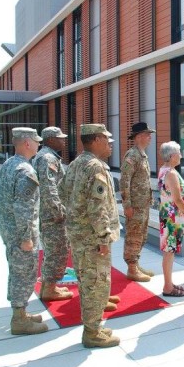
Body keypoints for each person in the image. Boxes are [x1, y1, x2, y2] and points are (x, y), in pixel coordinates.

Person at [59, 123, 120, 348]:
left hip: (80, 235)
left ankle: (94, 326)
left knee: (87, 282)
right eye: (106, 139)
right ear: (95, 140)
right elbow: (98, 207)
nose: (109, 144)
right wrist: (103, 237)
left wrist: (76, 218)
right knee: (95, 283)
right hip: (93, 239)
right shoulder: (95, 167)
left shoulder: (76, 163)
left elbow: (62, 191)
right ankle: (92, 333)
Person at [0, 127, 48, 335]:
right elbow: (23, 207)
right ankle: (19, 319)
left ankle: (21, 313)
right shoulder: (25, 170)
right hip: (20, 233)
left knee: (17, 271)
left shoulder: (10, 164)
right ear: (27, 143)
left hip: (10, 231)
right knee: (24, 273)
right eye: (36, 141)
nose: (38, 144)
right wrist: (26, 237)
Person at [32, 126, 73, 302]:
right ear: (50, 140)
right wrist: (60, 212)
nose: (63, 140)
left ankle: (51, 286)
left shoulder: (46, 156)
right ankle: (49, 289)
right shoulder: (47, 158)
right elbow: (49, 189)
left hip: (50, 213)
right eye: (59, 138)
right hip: (53, 215)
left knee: (54, 250)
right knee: (57, 250)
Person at [120, 122, 156, 282]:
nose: (150, 138)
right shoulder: (132, 155)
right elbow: (124, 181)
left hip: (143, 205)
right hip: (135, 206)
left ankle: (136, 264)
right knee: (134, 236)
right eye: (148, 135)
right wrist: (127, 205)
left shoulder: (142, 154)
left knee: (141, 235)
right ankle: (132, 268)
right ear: (140, 136)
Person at [157, 141, 184, 297]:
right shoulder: (171, 173)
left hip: (168, 216)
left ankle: (168, 283)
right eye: (179, 152)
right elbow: (177, 199)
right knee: (169, 252)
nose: (181, 155)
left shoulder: (164, 170)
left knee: (169, 252)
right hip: (172, 219)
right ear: (172, 155)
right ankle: (167, 287)